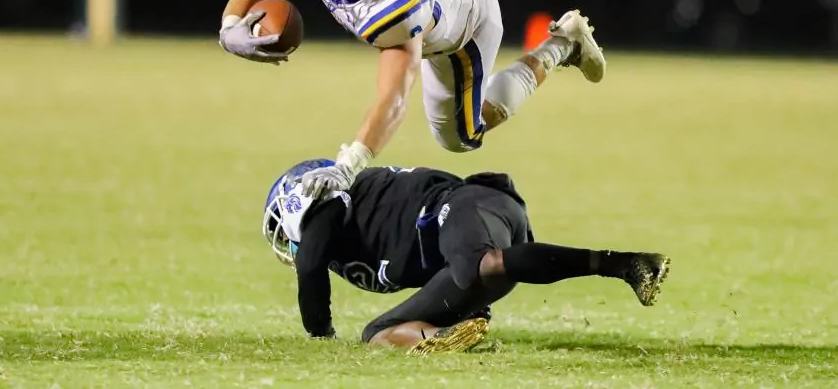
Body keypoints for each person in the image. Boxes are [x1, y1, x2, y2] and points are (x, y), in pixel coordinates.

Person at [219, 0, 607, 201]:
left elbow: (393, 98)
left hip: (467, 20)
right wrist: (230, 25)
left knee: (461, 137)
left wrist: (348, 165)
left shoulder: (399, 5)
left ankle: (562, 44)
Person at [262, 159, 671, 355]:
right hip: (473, 236)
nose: (292, 244)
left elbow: (310, 265)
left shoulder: (328, 203)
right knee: (377, 333)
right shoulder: (359, 228)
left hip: (465, 207)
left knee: (485, 263)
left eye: (285, 229)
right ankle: (443, 337)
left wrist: (320, 334)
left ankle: (626, 264)